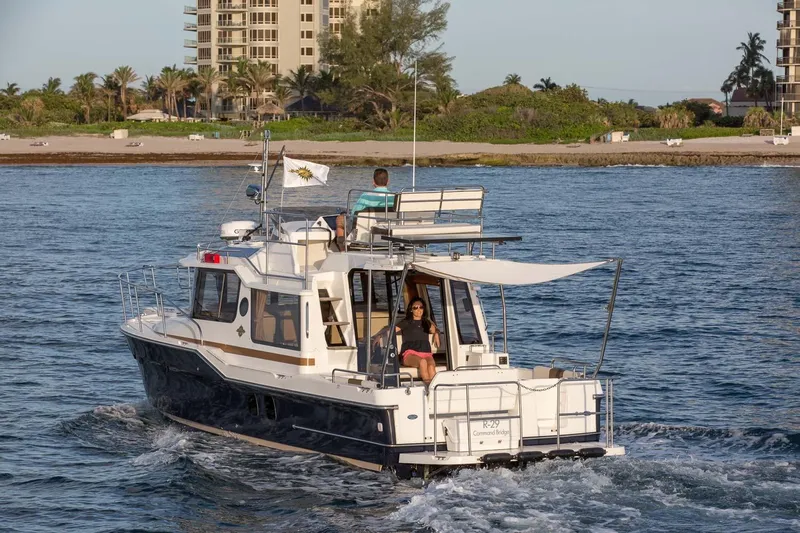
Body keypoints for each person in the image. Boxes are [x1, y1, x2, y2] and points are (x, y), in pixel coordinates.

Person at [376, 298, 440, 384]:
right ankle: (429, 388)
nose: (419, 309)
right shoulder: (406, 322)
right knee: (423, 362)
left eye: (421, 307)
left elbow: (435, 330)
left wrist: (436, 333)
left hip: (426, 352)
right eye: (415, 308)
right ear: (411, 310)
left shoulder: (426, 322)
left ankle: (435, 391)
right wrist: (379, 335)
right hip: (410, 353)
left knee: (431, 367)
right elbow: (390, 330)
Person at [334, 168, 394, 250]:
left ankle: (343, 251)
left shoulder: (365, 196)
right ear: (388, 182)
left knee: (340, 219)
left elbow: (354, 215)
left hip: (367, 231)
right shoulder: (395, 198)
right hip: (388, 231)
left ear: (373, 182)